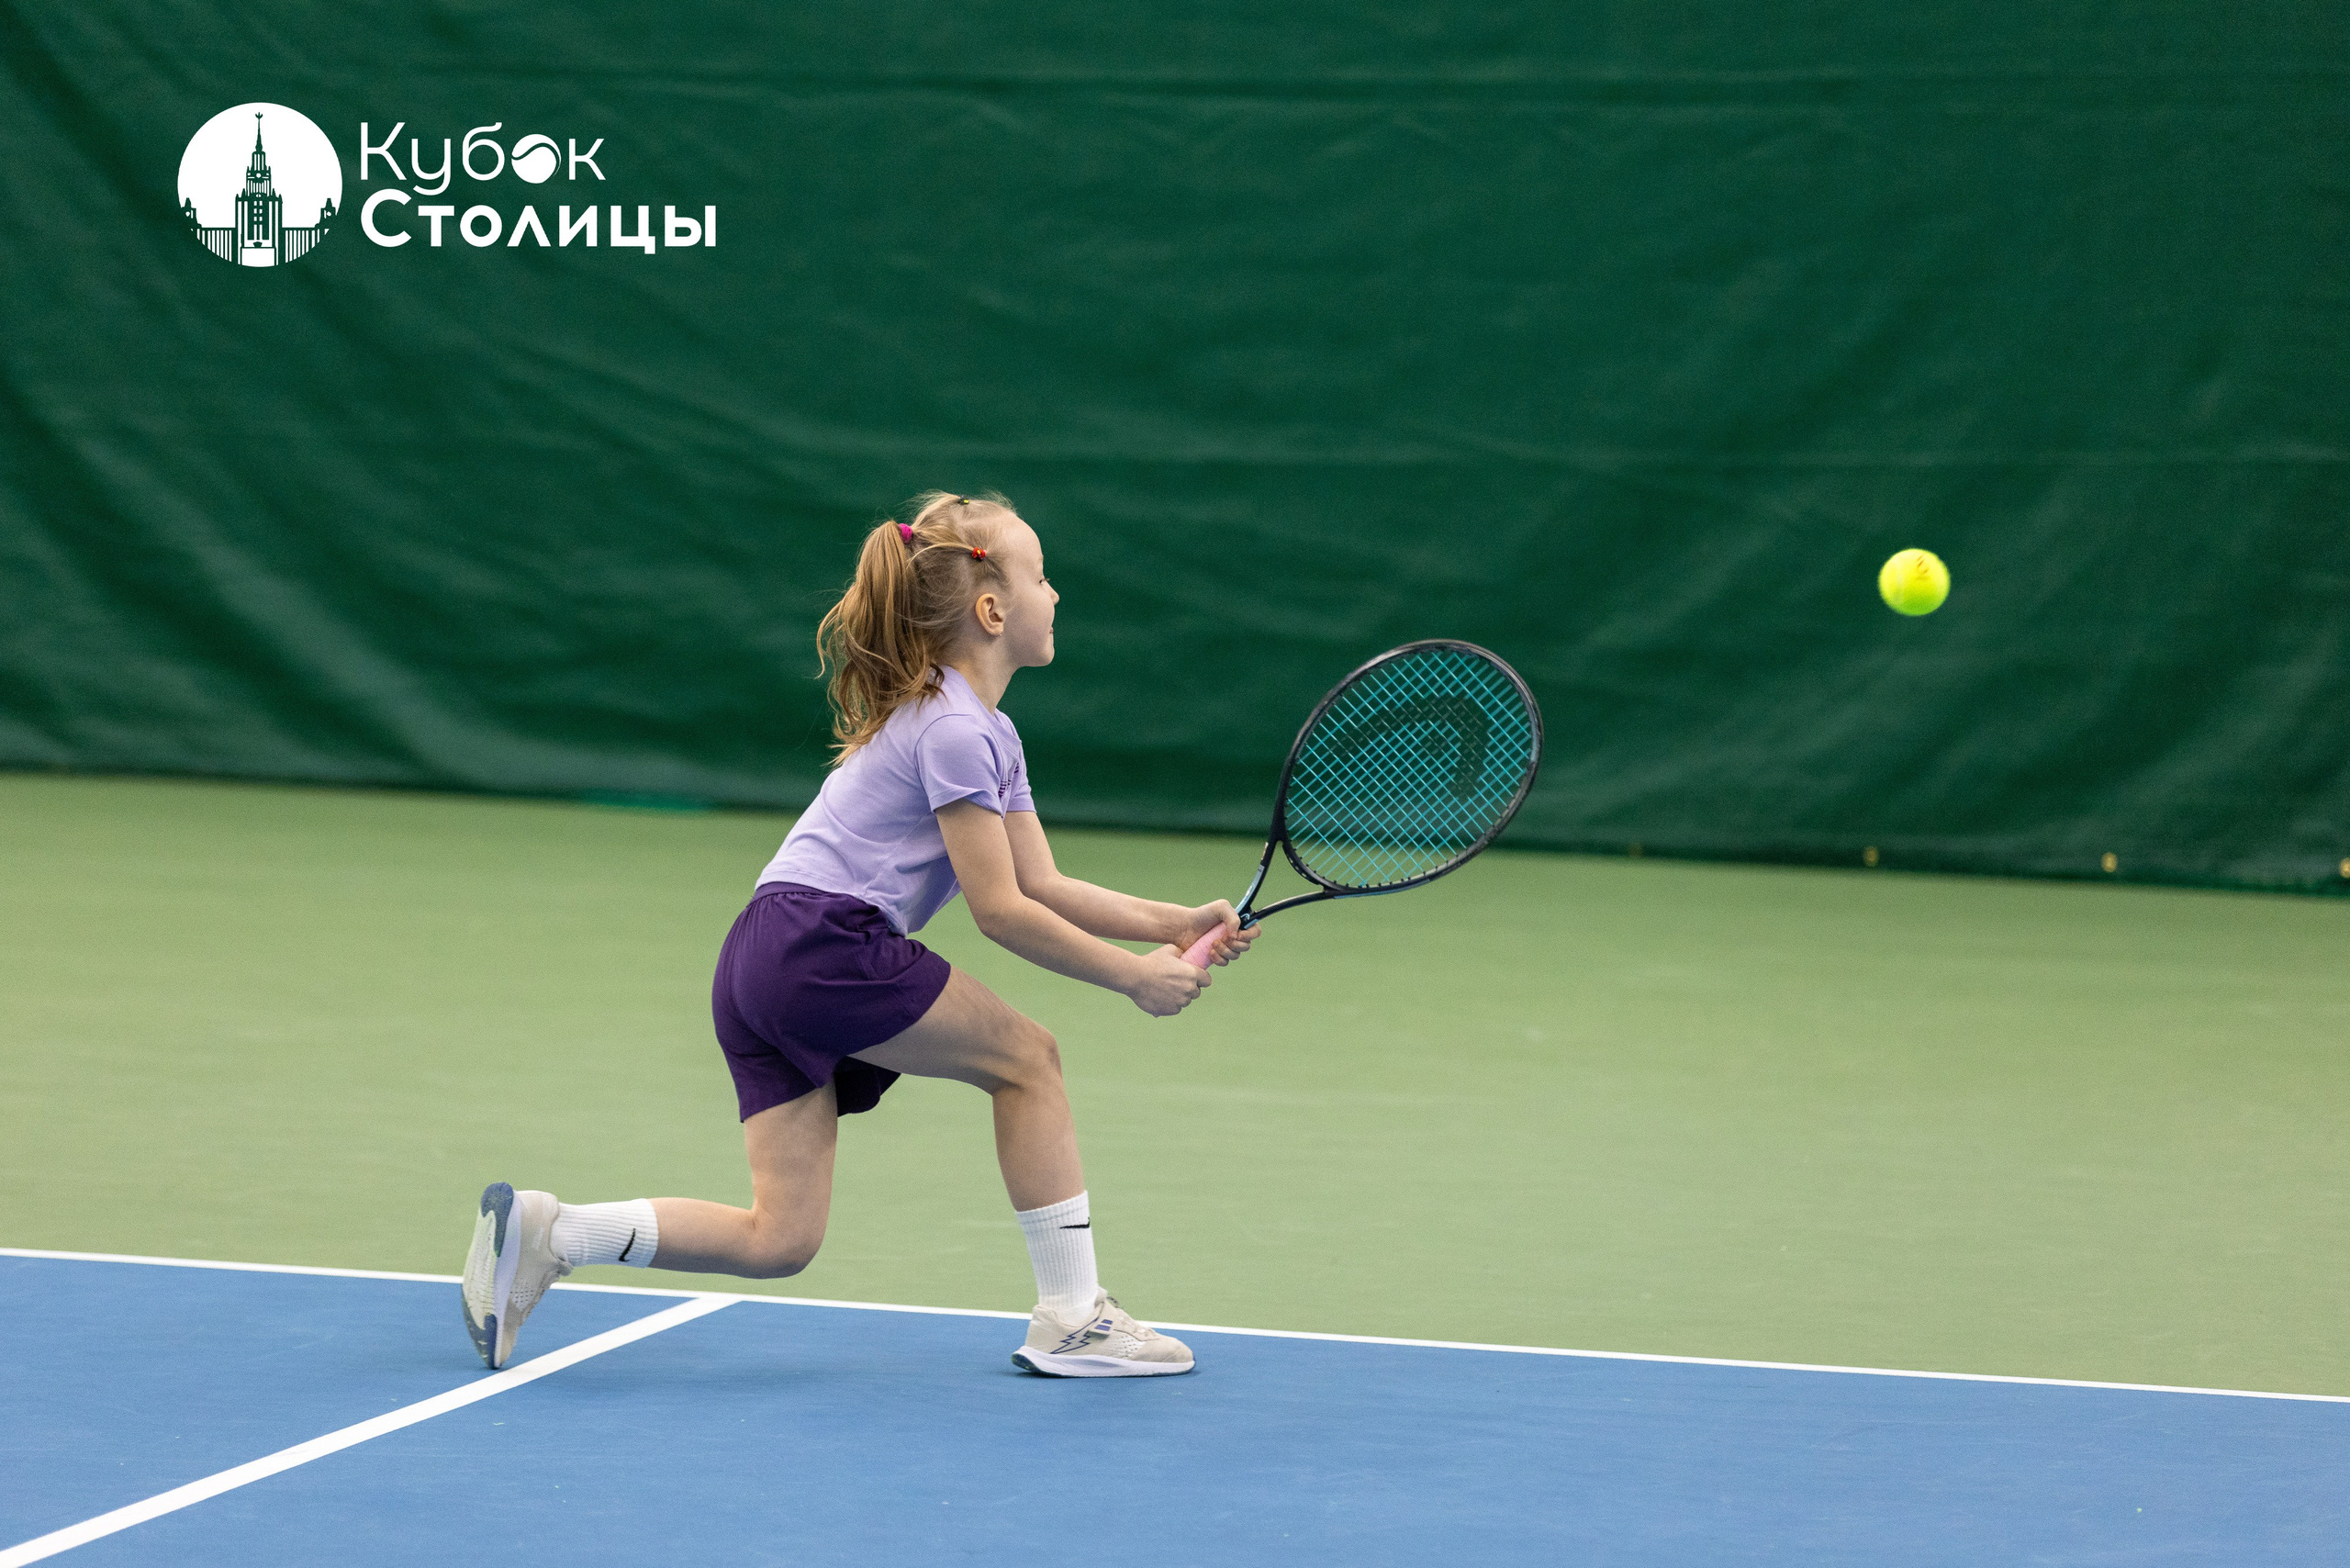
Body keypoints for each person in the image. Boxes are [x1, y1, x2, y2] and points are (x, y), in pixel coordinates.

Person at [462, 490, 1253, 1377]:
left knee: (781, 1236)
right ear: (993, 609)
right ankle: (1072, 1317)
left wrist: (1174, 923)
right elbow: (1001, 911)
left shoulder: (986, 730)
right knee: (1029, 1062)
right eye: (1042, 576)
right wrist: (1133, 980)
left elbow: (1044, 882)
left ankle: (551, 1233)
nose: (1057, 593)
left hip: (759, 954)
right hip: (824, 942)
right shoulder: (954, 728)